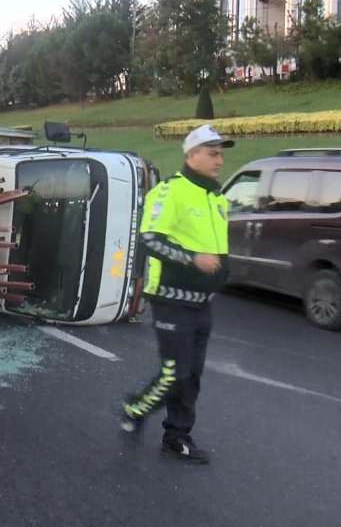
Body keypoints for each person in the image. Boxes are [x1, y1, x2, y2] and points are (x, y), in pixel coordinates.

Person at [118, 124, 232, 464]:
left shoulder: (216, 197)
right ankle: (135, 408)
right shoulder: (170, 191)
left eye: (221, 154)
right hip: (171, 299)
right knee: (174, 373)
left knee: (192, 375)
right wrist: (193, 260)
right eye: (212, 153)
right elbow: (149, 239)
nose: (219, 160)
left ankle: (177, 437)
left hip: (202, 303)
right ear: (191, 155)